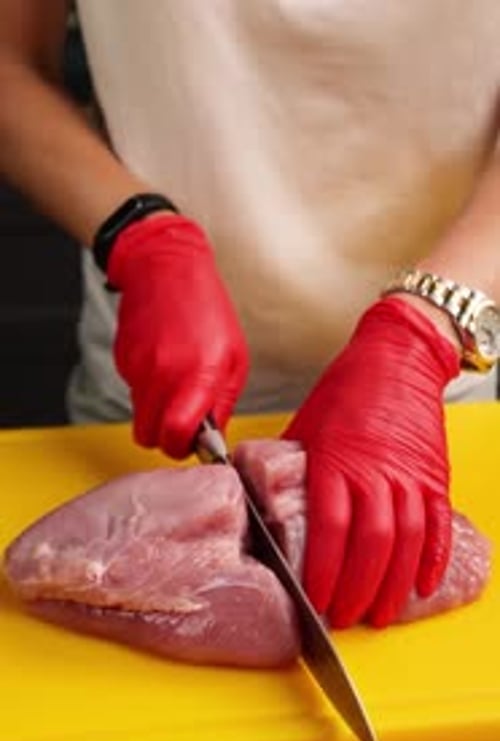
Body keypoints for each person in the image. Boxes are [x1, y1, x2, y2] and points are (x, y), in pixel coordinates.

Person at [1, 1, 499, 629]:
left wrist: (425, 331)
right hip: (148, 416)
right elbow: (8, 64)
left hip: (435, 417)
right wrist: (138, 235)